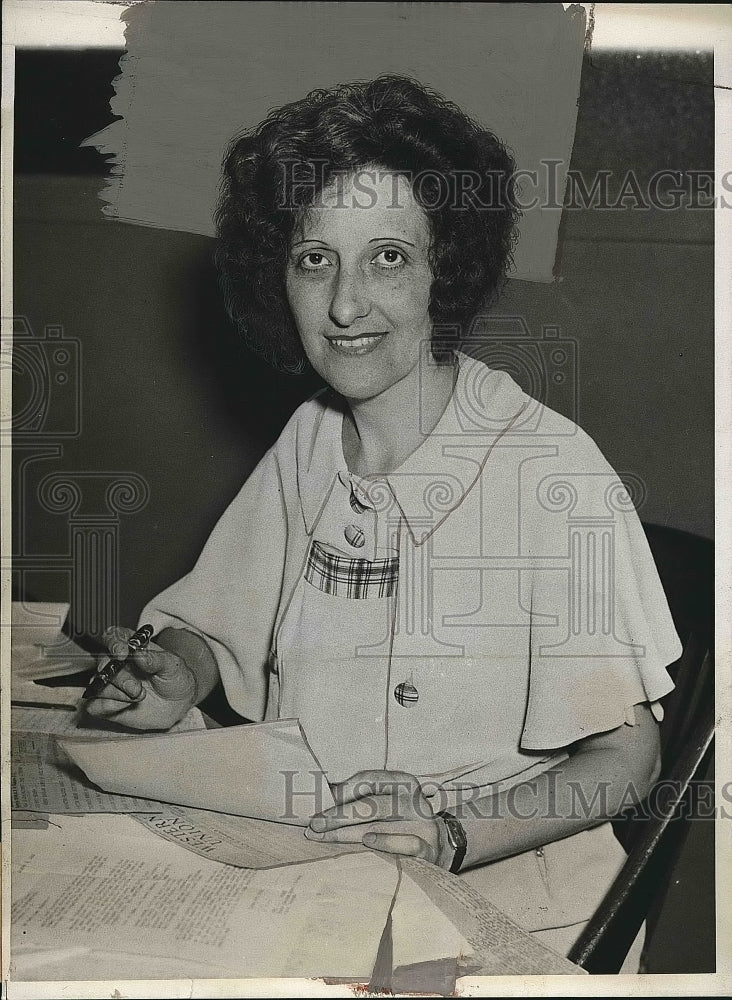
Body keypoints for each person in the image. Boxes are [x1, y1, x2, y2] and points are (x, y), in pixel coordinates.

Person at [85, 76, 682, 967]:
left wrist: (446, 834)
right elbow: (219, 623)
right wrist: (176, 672)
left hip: (511, 909)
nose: (346, 306)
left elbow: (627, 761)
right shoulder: (310, 438)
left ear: (450, 267)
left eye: (389, 257)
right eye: (314, 258)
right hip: (320, 875)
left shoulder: (549, 472)